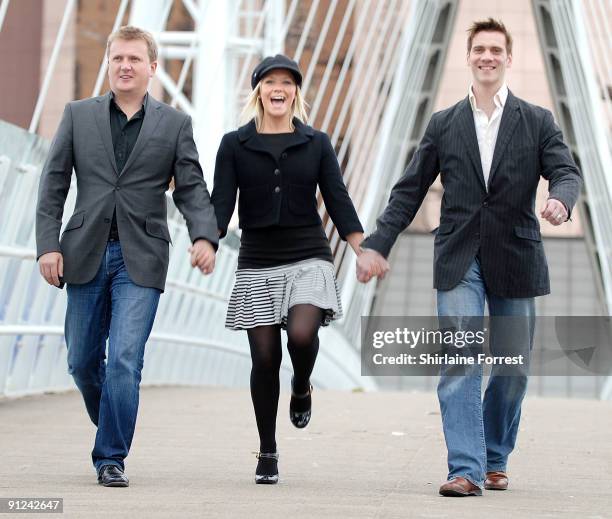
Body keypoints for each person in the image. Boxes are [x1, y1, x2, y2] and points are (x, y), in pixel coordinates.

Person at [357, 18, 581, 496]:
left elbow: (566, 171)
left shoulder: (537, 120)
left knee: (512, 369)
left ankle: (495, 456)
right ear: (469, 57)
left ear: (508, 58)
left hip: (516, 257)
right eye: (479, 49)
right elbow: (409, 190)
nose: (487, 57)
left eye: (495, 50)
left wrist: (561, 200)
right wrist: (378, 242)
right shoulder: (444, 124)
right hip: (459, 256)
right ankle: (465, 468)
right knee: (460, 357)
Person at [35, 26, 218, 487]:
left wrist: (205, 236)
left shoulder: (174, 125)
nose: (124, 66)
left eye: (134, 59)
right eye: (117, 58)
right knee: (81, 361)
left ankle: (110, 456)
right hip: (83, 254)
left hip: (142, 255)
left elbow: (192, 188)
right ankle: (115, 421)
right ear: (110, 63)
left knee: (125, 361)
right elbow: (53, 184)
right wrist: (47, 245)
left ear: (152, 68)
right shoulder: (78, 115)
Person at [211, 54, 367, 484]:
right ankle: (267, 451)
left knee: (301, 334)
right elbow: (220, 205)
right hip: (258, 260)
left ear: (296, 91)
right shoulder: (234, 144)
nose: (278, 89)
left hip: (308, 255)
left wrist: (362, 248)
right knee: (263, 358)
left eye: (287, 82)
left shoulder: (316, 142)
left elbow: (338, 199)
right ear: (258, 89)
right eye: (269, 81)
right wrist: (205, 239)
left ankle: (301, 384)